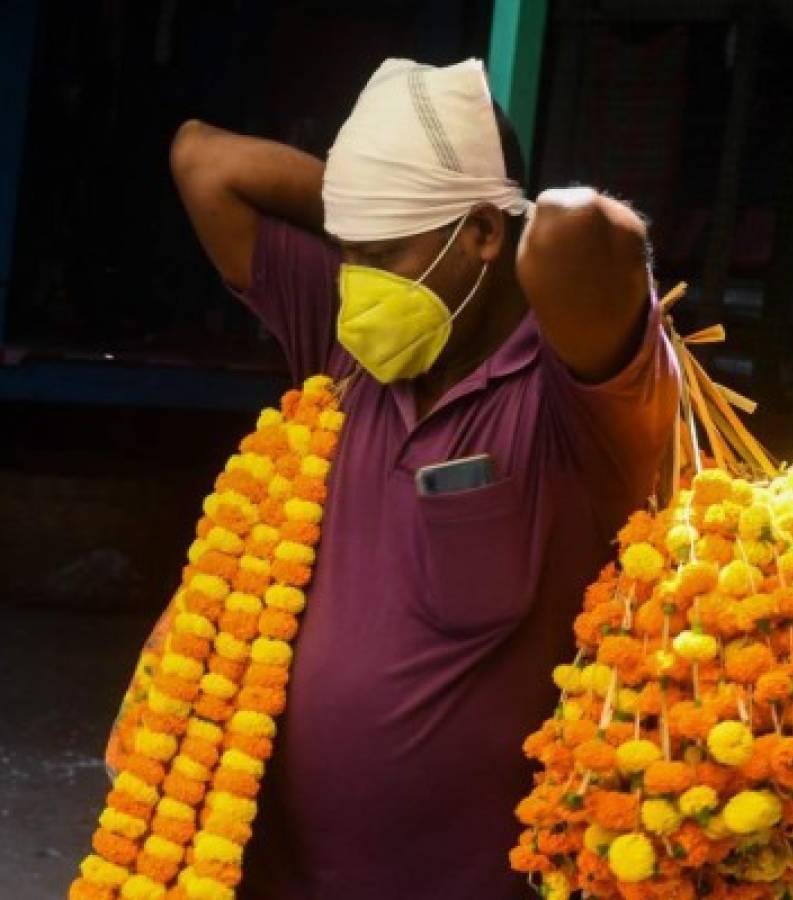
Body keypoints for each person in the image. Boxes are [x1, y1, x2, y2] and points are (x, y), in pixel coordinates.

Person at [170, 58, 677, 899]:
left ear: (482, 234)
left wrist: (449, 196)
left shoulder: (580, 398)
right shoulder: (347, 344)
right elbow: (201, 160)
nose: (356, 281)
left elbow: (574, 227)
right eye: (345, 251)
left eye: (382, 252)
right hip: (277, 874)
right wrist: (376, 197)